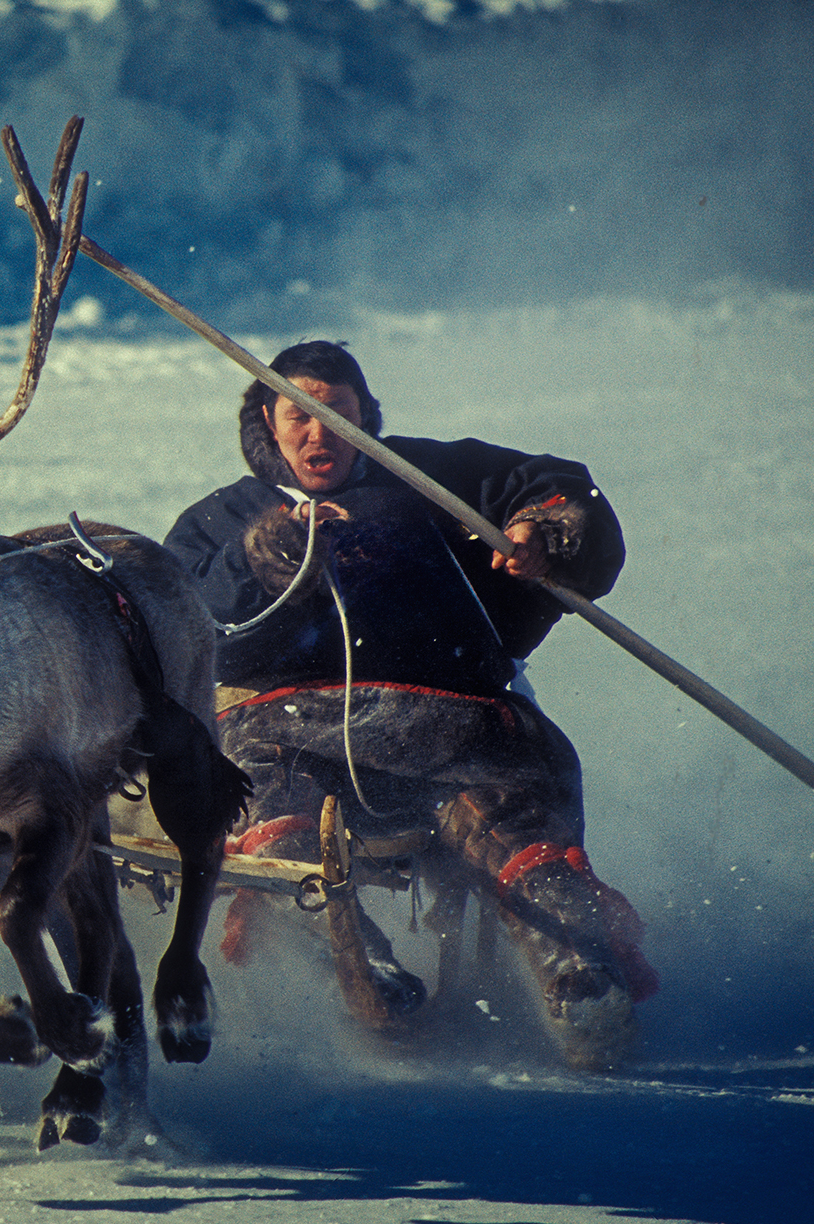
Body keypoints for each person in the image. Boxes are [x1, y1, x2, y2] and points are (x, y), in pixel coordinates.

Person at [164, 340, 658, 1069]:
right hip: (292, 733)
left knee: (514, 817)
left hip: (452, 723)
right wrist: (257, 557)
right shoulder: (222, 516)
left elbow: (558, 488)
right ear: (266, 425)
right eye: (295, 414)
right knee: (264, 808)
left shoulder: (430, 478)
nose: (317, 431)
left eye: (337, 411)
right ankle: (363, 968)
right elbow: (183, 614)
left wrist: (543, 531)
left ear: (365, 414)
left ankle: (578, 979)